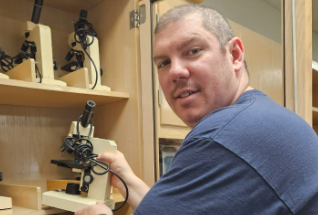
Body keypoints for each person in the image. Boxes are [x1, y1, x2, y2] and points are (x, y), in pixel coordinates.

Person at [76, 4, 318, 215]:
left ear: (235, 55)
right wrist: (127, 181)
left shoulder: (221, 135)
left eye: (193, 51)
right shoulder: (259, 116)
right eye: (164, 63)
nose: (175, 72)